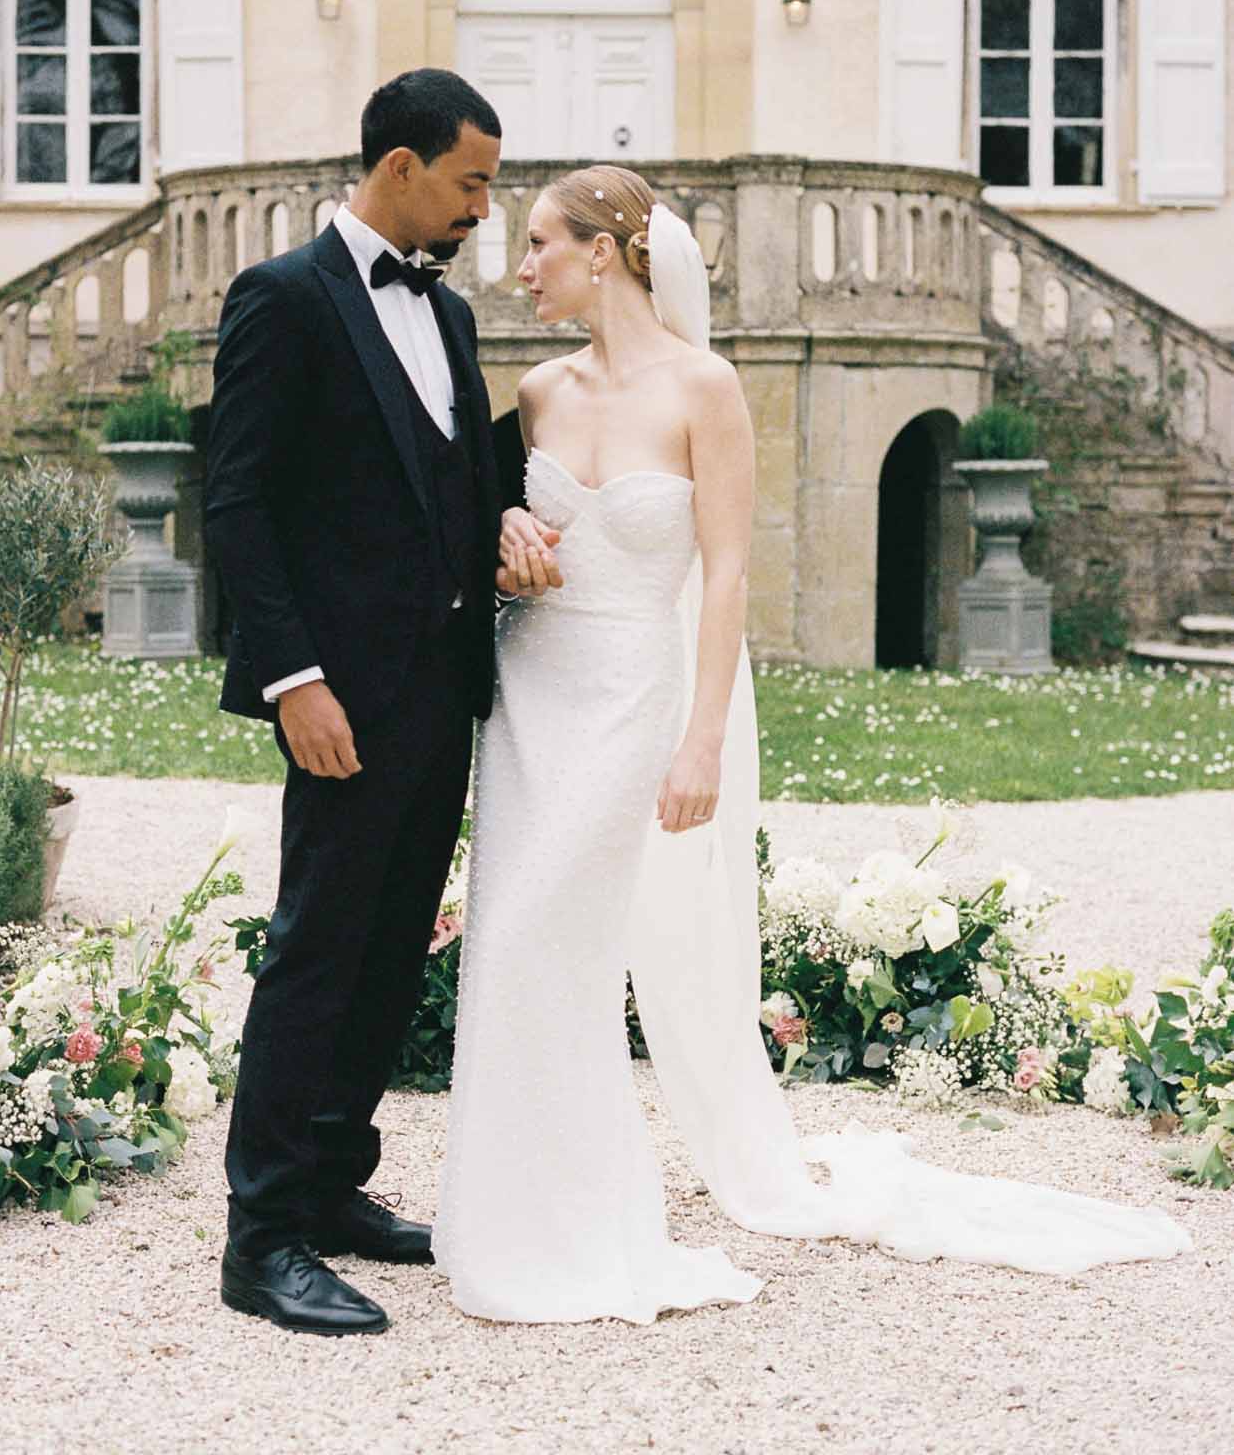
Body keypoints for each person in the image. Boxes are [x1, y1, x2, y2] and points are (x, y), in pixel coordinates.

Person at [432, 165, 1193, 1324]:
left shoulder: (706, 387)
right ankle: (502, 1213)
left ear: (606, 251)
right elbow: (482, 527)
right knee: (510, 931)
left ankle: (588, 1219)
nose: (518, 265)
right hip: (532, 690)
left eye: (537, 242)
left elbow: (728, 573)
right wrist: (503, 525)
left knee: (571, 944)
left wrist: (700, 741)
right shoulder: (535, 391)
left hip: (635, 694)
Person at [206, 68, 552, 1337]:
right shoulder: (282, 298)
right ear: (398, 165)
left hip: (440, 690)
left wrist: (506, 518)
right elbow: (238, 499)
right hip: (337, 696)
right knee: (315, 948)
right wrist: (293, 678)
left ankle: (336, 1184)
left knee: (391, 946)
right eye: (470, 184)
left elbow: (453, 479)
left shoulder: (449, 317)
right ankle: (263, 1236)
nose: (482, 210)